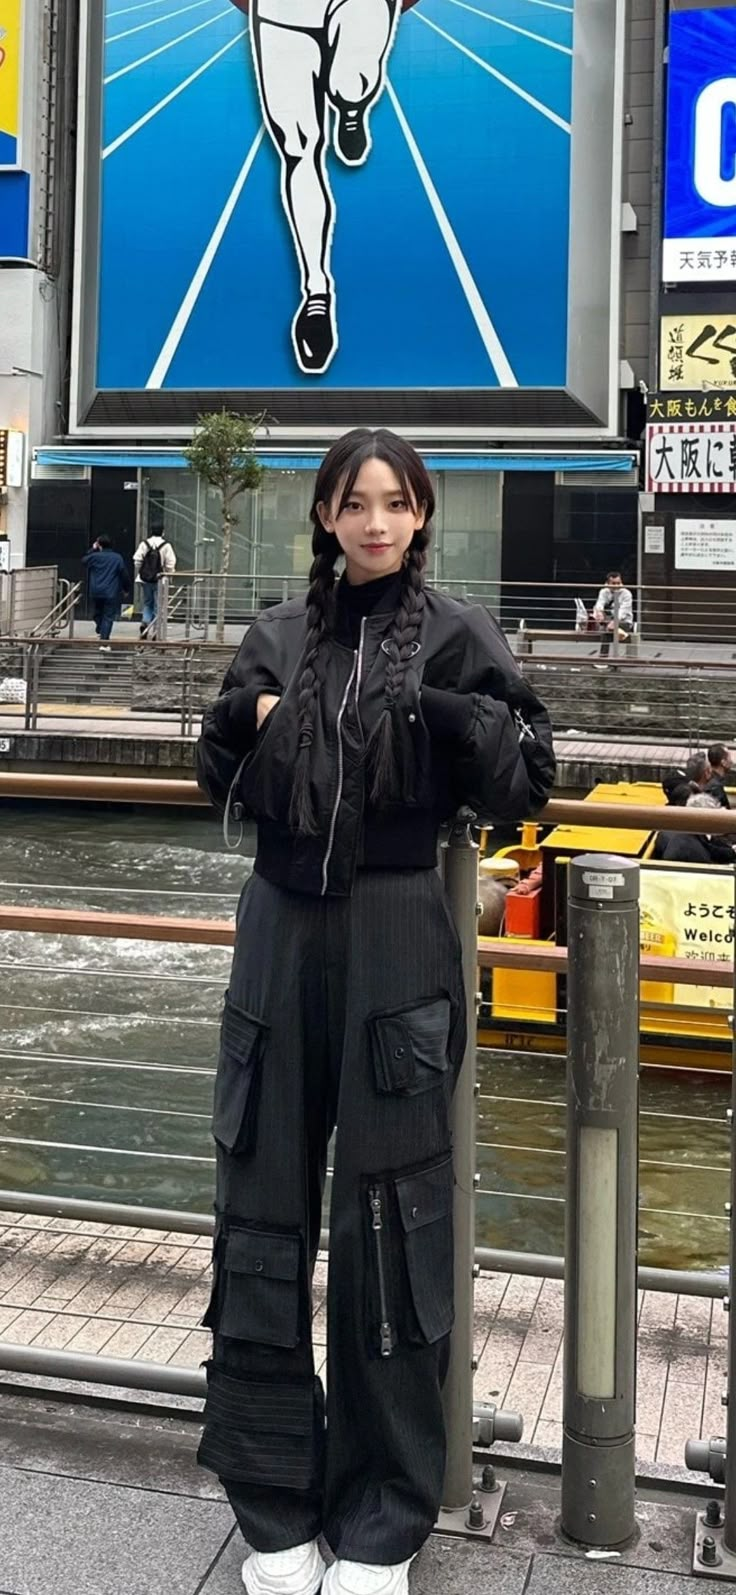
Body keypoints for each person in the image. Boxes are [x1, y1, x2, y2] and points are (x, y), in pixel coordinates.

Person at [196, 428, 555, 1595]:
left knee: (393, 1226)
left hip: (402, 929)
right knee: (259, 1204)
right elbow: (212, 774)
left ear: (420, 516)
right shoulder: (279, 634)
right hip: (278, 928)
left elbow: (529, 775)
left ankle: (385, 1515)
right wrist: (234, 726)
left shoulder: (459, 631)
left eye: (396, 504)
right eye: (356, 503)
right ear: (322, 514)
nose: (376, 523)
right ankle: (272, 1503)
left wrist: (464, 720)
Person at [249, 0, 401, 375]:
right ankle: (316, 291)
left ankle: (351, 109)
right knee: (298, 148)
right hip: (281, 14)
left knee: (351, 81)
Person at [656, 793, 735, 866]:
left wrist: (733, 851)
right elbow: (709, 870)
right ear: (706, 819)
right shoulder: (687, 847)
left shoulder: (689, 831)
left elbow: (710, 848)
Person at [82, 537, 131, 652]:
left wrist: (92, 550)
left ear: (99, 545)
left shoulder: (94, 557)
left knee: (97, 614)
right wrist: (126, 588)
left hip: (96, 591)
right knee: (108, 617)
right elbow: (124, 574)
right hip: (111, 591)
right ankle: (104, 641)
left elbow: (84, 560)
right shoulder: (117, 558)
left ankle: (102, 633)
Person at [133, 531, 176, 638]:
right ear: (163, 532)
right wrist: (169, 575)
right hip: (160, 579)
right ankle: (156, 632)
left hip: (145, 580)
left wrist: (144, 571)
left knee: (148, 603)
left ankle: (145, 623)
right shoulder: (166, 545)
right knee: (158, 606)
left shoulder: (144, 544)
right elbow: (171, 564)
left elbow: (137, 561)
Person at [592, 571, 634, 657]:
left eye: (618, 583)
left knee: (606, 631)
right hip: (607, 620)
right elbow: (599, 604)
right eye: (613, 583)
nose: (616, 586)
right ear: (607, 583)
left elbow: (622, 612)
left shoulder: (627, 594)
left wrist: (614, 622)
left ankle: (603, 658)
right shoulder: (604, 592)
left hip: (624, 622)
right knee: (606, 627)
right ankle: (607, 658)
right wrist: (599, 612)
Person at [706, 744, 733, 809]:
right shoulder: (716, 787)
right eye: (729, 758)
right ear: (723, 762)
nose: (732, 761)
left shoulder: (706, 778)